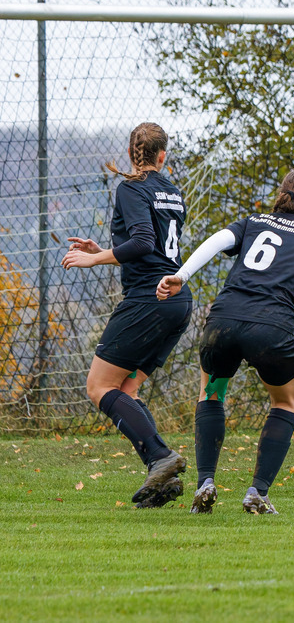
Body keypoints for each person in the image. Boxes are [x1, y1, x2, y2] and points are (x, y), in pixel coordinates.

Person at [156, 167, 294, 515]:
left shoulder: (254, 222)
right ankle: (257, 492)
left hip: (222, 320)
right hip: (271, 329)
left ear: (282, 194)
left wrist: (180, 276)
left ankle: (205, 482)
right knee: (285, 403)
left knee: (211, 391)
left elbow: (214, 243)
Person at [61, 122, 189, 508]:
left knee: (99, 387)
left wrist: (94, 257)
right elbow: (152, 247)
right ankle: (163, 483)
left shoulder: (130, 188)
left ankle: (160, 458)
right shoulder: (174, 192)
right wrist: (108, 248)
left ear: (134, 153)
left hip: (148, 301)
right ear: (162, 156)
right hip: (177, 301)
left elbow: (144, 242)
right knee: (127, 390)